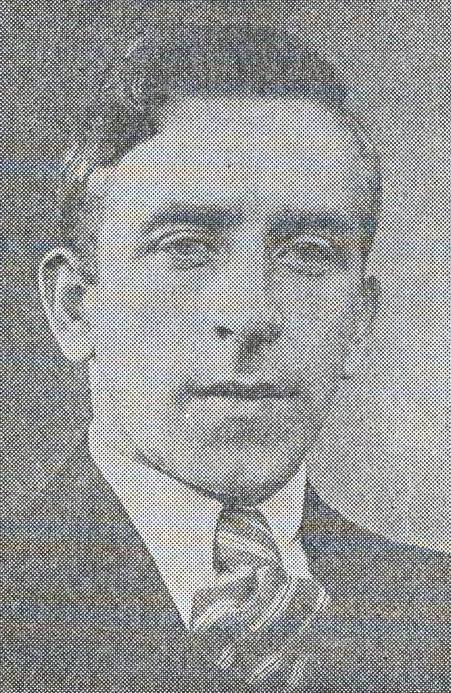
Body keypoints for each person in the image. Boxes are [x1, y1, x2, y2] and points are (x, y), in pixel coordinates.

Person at [3, 25, 449, 693]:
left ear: (360, 314)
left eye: (308, 253)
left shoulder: (432, 617)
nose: (250, 314)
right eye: (185, 246)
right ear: (74, 307)